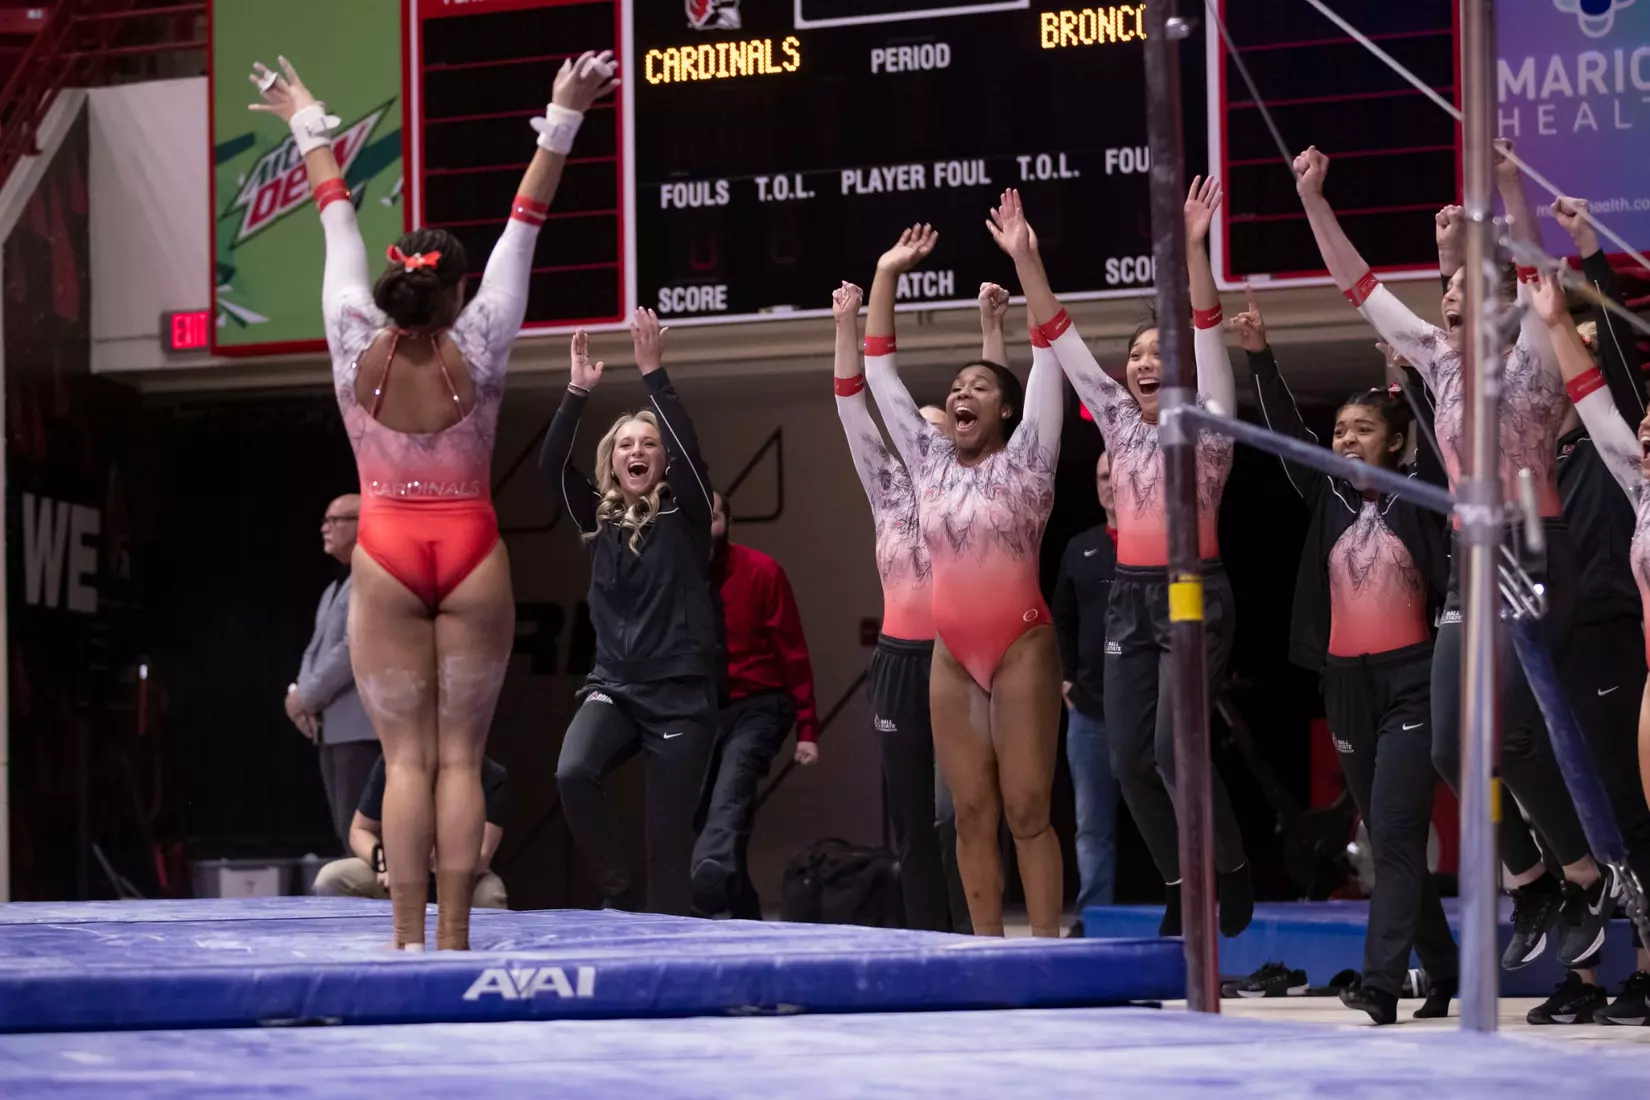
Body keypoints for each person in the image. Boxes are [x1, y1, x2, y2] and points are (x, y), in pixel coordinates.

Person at [251, 50, 617, 950]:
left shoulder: (348, 336)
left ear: (395, 281)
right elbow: (526, 221)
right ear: (456, 289)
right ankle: (454, 937)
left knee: (405, 759)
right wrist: (562, 112)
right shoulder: (485, 334)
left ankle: (405, 937)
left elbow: (336, 220)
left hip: (385, 544)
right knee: (460, 757)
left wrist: (306, 115)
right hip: (469, 544)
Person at [1292, 141, 1614, 976]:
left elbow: (1535, 261)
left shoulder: (1534, 353)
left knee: (1508, 727)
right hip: (1471, 558)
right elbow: (1357, 287)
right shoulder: (1437, 359)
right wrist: (1315, 203)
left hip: (1533, 547)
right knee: (1449, 748)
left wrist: (1510, 185)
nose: (1451, 302)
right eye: (1447, 294)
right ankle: (1533, 880)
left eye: (1470, 289)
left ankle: (1586, 876)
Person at [1009, 181, 1253, 937]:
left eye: (1159, 353)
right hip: (1128, 595)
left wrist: (1194, 250)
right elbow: (1058, 333)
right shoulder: (1115, 415)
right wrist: (1026, 259)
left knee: (1175, 752)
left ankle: (1231, 869)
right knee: (1128, 762)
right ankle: (1182, 884)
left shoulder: (1207, 418)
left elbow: (1207, 326)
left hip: (1192, 592)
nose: (1145, 363)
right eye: (1137, 354)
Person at [1238, 295, 1457, 1024]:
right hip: (1346, 688)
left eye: (1364, 430)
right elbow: (1283, 433)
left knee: (1392, 833)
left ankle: (1382, 982)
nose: (1347, 439)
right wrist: (1261, 358)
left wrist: (1416, 383)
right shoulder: (1328, 493)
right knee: (1390, 833)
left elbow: (1440, 436)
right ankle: (1446, 966)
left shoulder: (1423, 495)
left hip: (1412, 682)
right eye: (1341, 431)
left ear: (1395, 444)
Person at [863, 206, 1065, 938]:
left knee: (1026, 810)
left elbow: (1050, 352)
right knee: (970, 816)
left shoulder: (1032, 456)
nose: (960, 395)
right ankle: (988, 954)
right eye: (954, 389)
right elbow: (878, 369)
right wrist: (886, 274)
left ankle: (1046, 952)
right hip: (950, 655)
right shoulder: (929, 461)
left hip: (1020, 645)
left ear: (1007, 408)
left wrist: (1024, 259)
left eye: (979, 387)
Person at [541, 311, 718, 916]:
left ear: (662, 462)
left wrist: (654, 376)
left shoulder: (687, 515)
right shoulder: (599, 518)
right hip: (614, 686)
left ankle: (674, 958)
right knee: (572, 772)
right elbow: (548, 468)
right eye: (625, 445)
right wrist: (576, 393)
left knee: (666, 849)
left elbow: (689, 446)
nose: (637, 451)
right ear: (611, 462)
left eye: (648, 444)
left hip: (680, 695)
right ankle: (620, 898)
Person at [1528, 197, 1650, 1026]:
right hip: (1644, 681)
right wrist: (1549, 311)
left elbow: (1620, 376)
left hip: (1616, 650)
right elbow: (1595, 394)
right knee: (1631, 820)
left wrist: (1588, 255)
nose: (1647, 428)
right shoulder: (1637, 484)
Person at [830, 279, 972, 933]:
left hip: (959, 661)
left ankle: (976, 932)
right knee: (914, 817)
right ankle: (927, 942)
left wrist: (994, 333)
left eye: (935, 432)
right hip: (896, 663)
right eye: (914, 430)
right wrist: (847, 325)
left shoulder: (974, 492)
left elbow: (996, 415)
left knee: (958, 812)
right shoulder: (885, 487)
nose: (921, 442)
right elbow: (851, 404)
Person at [692, 490, 821, 918]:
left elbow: (793, 652)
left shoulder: (761, 572)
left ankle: (706, 886)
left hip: (761, 704)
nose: (705, 524)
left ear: (727, 522)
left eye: (712, 516)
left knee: (731, 789)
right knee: (704, 810)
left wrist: (807, 730)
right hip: (706, 709)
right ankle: (742, 911)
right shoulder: (677, 578)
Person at [1052, 454, 1120, 936]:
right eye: (1102, 476)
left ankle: (1185, 911)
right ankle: (1094, 916)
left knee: (1174, 815)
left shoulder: (1162, 541)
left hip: (1152, 709)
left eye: (1118, 473)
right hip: (1090, 712)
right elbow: (1061, 620)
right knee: (1091, 824)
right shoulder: (1081, 548)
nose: (1111, 484)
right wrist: (1065, 679)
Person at [286, 492, 377, 849]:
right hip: (330, 728)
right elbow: (314, 649)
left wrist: (306, 697)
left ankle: (378, 900)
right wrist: (296, 694)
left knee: (361, 827)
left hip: (359, 728)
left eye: (335, 519)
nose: (325, 527)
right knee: (344, 827)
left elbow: (353, 649)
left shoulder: (373, 580)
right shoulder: (333, 589)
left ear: (362, 524)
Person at [313, 753, 511, 910]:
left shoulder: (491, 775)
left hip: (461, 875)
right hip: (396, 867)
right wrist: (384, 863)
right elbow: (360, 830)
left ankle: (478, 957)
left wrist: (415, 858)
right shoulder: (393, 764)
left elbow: (480, 858)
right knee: (331, 878)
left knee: (490, 895)